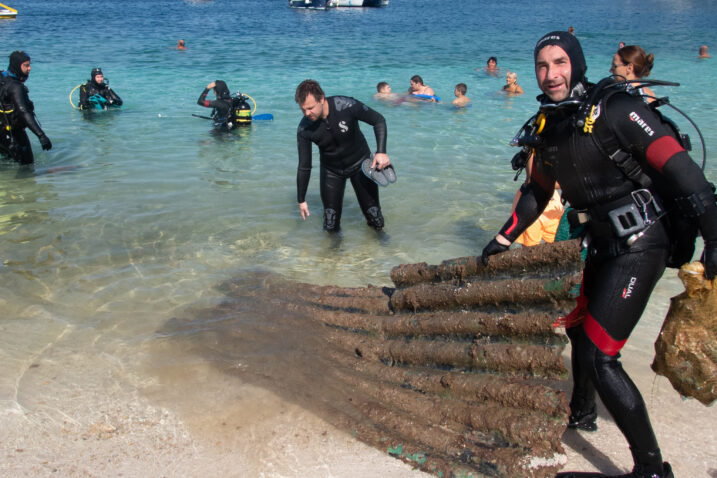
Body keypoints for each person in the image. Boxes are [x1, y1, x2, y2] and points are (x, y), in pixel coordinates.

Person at [481, 31, 717, 478]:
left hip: (643, 240)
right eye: (542, 66)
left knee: (599, 355)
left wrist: (715, 238)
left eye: (559, 63)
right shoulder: (549, 124)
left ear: (577, 64)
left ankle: (651, 469)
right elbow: (538, 191)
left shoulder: (617, 108)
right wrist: (504, 238)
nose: (551, 74)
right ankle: (583, 413)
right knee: (577, 329)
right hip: (600, 243)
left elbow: (684, 173)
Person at [295, 79, 390, 232]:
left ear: (321, 99)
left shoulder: (346, 105)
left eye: (310, 108)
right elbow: (304, 166)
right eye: (303, 110)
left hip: (361, 165)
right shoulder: (304, 129)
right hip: (331, 171)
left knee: (375, 217)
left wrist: (381, 152)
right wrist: (301, 199)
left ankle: (383, 250)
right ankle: (333, 255)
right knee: (330, 223)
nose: (307, 113)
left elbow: (378, 120)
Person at [0, 51, 52, 164]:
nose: (30, 68)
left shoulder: (2, 77)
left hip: (2, 131)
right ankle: (24, 182)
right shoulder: (16, 87)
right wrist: (41, 136)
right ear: (17, 65)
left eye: (29, 64)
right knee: (27, 165)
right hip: (14, 134)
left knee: (8, 161)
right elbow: (24, 112)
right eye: (26, 65)